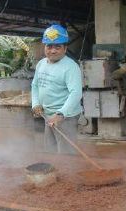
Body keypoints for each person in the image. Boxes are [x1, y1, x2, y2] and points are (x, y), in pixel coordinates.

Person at [31, 24, 82, 154]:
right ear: (44, 47)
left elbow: (76, 93)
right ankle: (54, 173)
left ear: (65, 48)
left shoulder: (71, 67)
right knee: (50, 150)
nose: (52, 50)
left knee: (66, 153)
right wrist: (36, 103)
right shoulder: (41, 64)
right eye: (49, 46)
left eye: (57, 47)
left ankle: (69, 172)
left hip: (66, 117)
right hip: (47, 115)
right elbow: (35, 85)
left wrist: (61, 114)